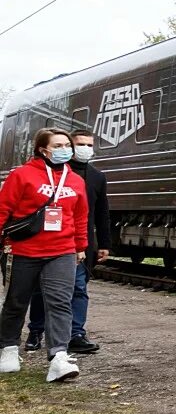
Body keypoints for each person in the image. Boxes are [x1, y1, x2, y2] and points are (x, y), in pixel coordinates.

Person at [0, 128, 89, 382]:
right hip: (23, 250)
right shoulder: (22, 175)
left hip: (61, 251)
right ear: (43, 149)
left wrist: (80, 246)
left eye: (67, 145)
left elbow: (80, 216)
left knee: (60, 302)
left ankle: (59, 356)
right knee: (17, 301)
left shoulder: (75, 181)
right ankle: (8, 348)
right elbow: (3, 208)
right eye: (58, 145)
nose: (65, 150)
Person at [25, 129, 111, 354]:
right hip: (49, 241)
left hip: (79, 244)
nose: (85, 149)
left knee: (78, 289)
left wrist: (104, 243)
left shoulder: (96, 177)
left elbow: (101, 213)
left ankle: (76, 334)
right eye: (80, 144)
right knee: (42, 291)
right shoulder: (53, 172)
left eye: (90, 145)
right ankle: (36, 330)